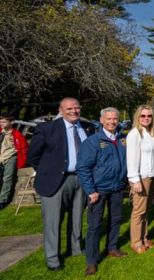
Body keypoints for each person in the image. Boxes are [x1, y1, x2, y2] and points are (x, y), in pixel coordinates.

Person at [27, 97, 95, 271]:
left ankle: (76, 249)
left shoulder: (87, 128)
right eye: (69, 108)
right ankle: (53, 258)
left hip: (81, 179)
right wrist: (47, 171)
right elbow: (33, 155)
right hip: (55, 181)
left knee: (77, 217)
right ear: (61, 110)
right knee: (53, 221)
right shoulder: (47, 128)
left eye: (77, 108)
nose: (74, 111)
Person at [77, 107, 127, 276]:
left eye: (115, 119)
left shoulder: (122, 139)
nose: (112, 122)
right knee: (95, 225)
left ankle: (112, 247)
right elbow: (83, 168)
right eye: (109, 119)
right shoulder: (93, 141)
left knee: (116, 220)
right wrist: (91, 190)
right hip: (98, 190)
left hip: (117, 187)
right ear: (102, 120)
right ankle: (91, 260)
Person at [126, 105, 154, 254]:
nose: (146, 118)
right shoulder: (135, 134)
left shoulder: (151, 133)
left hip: (152, 176)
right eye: (143, 116)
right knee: (138, 211)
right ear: (137, 117)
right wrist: (135, 180)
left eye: (149, 116)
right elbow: (131, 158)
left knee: (146, 210)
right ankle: (135, 241)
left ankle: (144, 237)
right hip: (141, 177)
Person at [0, 114, 28, 209]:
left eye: (4, 122)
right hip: (1, 156)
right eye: (0, 122)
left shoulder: (17, 135)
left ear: (11, 122)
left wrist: (23, 161)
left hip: (11, 156)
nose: (1, 123)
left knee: (7, 178)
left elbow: (24, 149)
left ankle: (3, 200)